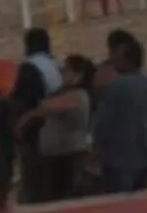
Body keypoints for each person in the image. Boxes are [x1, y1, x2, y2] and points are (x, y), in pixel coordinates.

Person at [92, 36, 147, 194]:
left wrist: (96, 148)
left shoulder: (117, 86)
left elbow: (103, 123)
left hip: (119, 160)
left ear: (126, 59)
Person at [20, 55, 96, 201]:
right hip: (58, 156)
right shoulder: (68, 93)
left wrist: (28, 116)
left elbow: (48, 106)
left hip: (66, 157)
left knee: (63, 198)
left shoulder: (78, 95)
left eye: (66, 70)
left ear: (78, 75)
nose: (61, 72)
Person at [11, 28, 63, 204]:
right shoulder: (57, 65)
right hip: (59, 132)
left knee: (34, 186)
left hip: (36, 134)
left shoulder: (30, 67)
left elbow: (24, 102)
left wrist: (19, 127)